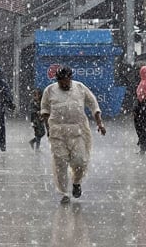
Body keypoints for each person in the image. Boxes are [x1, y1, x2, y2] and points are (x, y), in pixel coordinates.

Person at [40, 65, 106, 204]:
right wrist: (48, 128)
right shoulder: (49, 90)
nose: (64, 83)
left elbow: (93, 103)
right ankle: (64, 193)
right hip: (58, 132)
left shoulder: (80, 88)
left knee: (80, 160)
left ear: (70, 78)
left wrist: (100, 123)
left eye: (66, 80)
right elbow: (45, 110)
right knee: (60, 163)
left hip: (78, 131)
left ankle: (76, 182)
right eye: (61, 81)